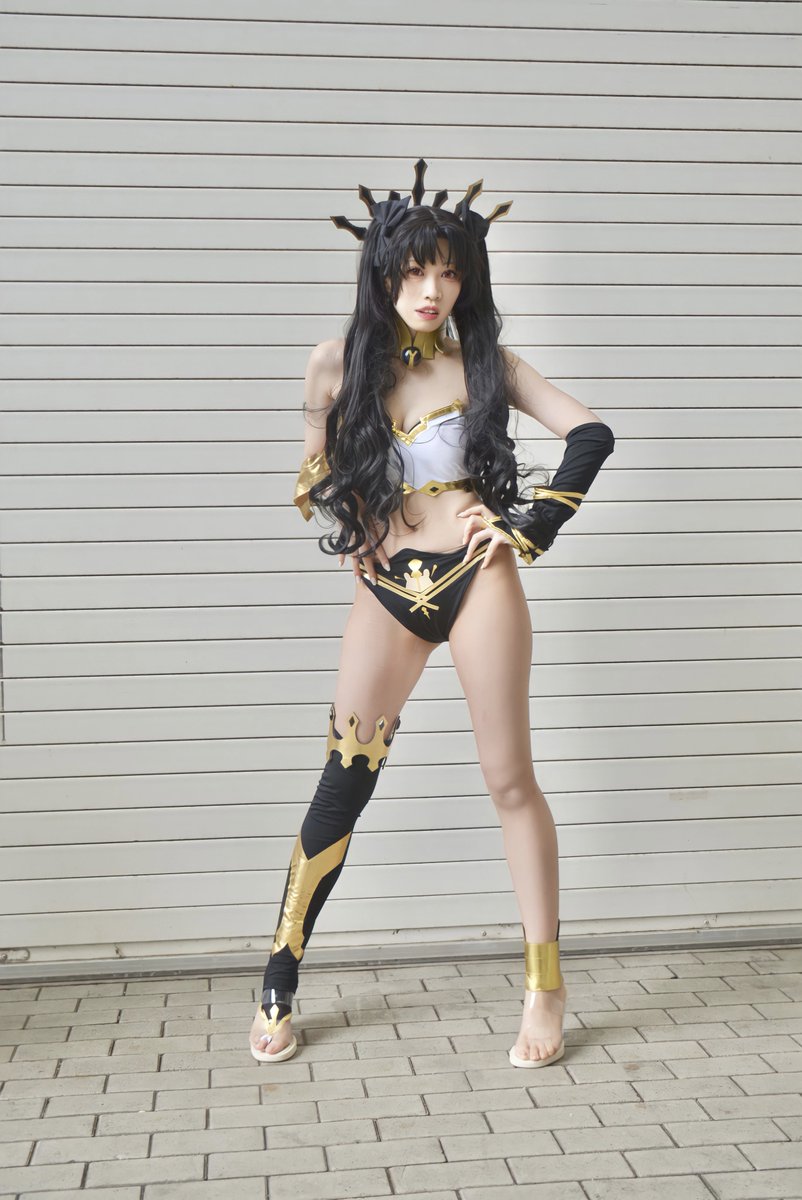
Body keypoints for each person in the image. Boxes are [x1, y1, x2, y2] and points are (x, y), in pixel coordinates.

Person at [249, 160, 615, 1069]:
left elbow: (591, 433)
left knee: (509, 779)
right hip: (386, 587)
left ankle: (545, 985)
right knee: (343, 779)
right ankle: (279, 977)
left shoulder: (486, 365)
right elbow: (312, 467)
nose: (431, 290)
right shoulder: (335, 364)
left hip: (478, 576)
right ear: (383, 272)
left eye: (448, 273)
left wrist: (527, 526)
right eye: (415, 271)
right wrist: (356, 514)